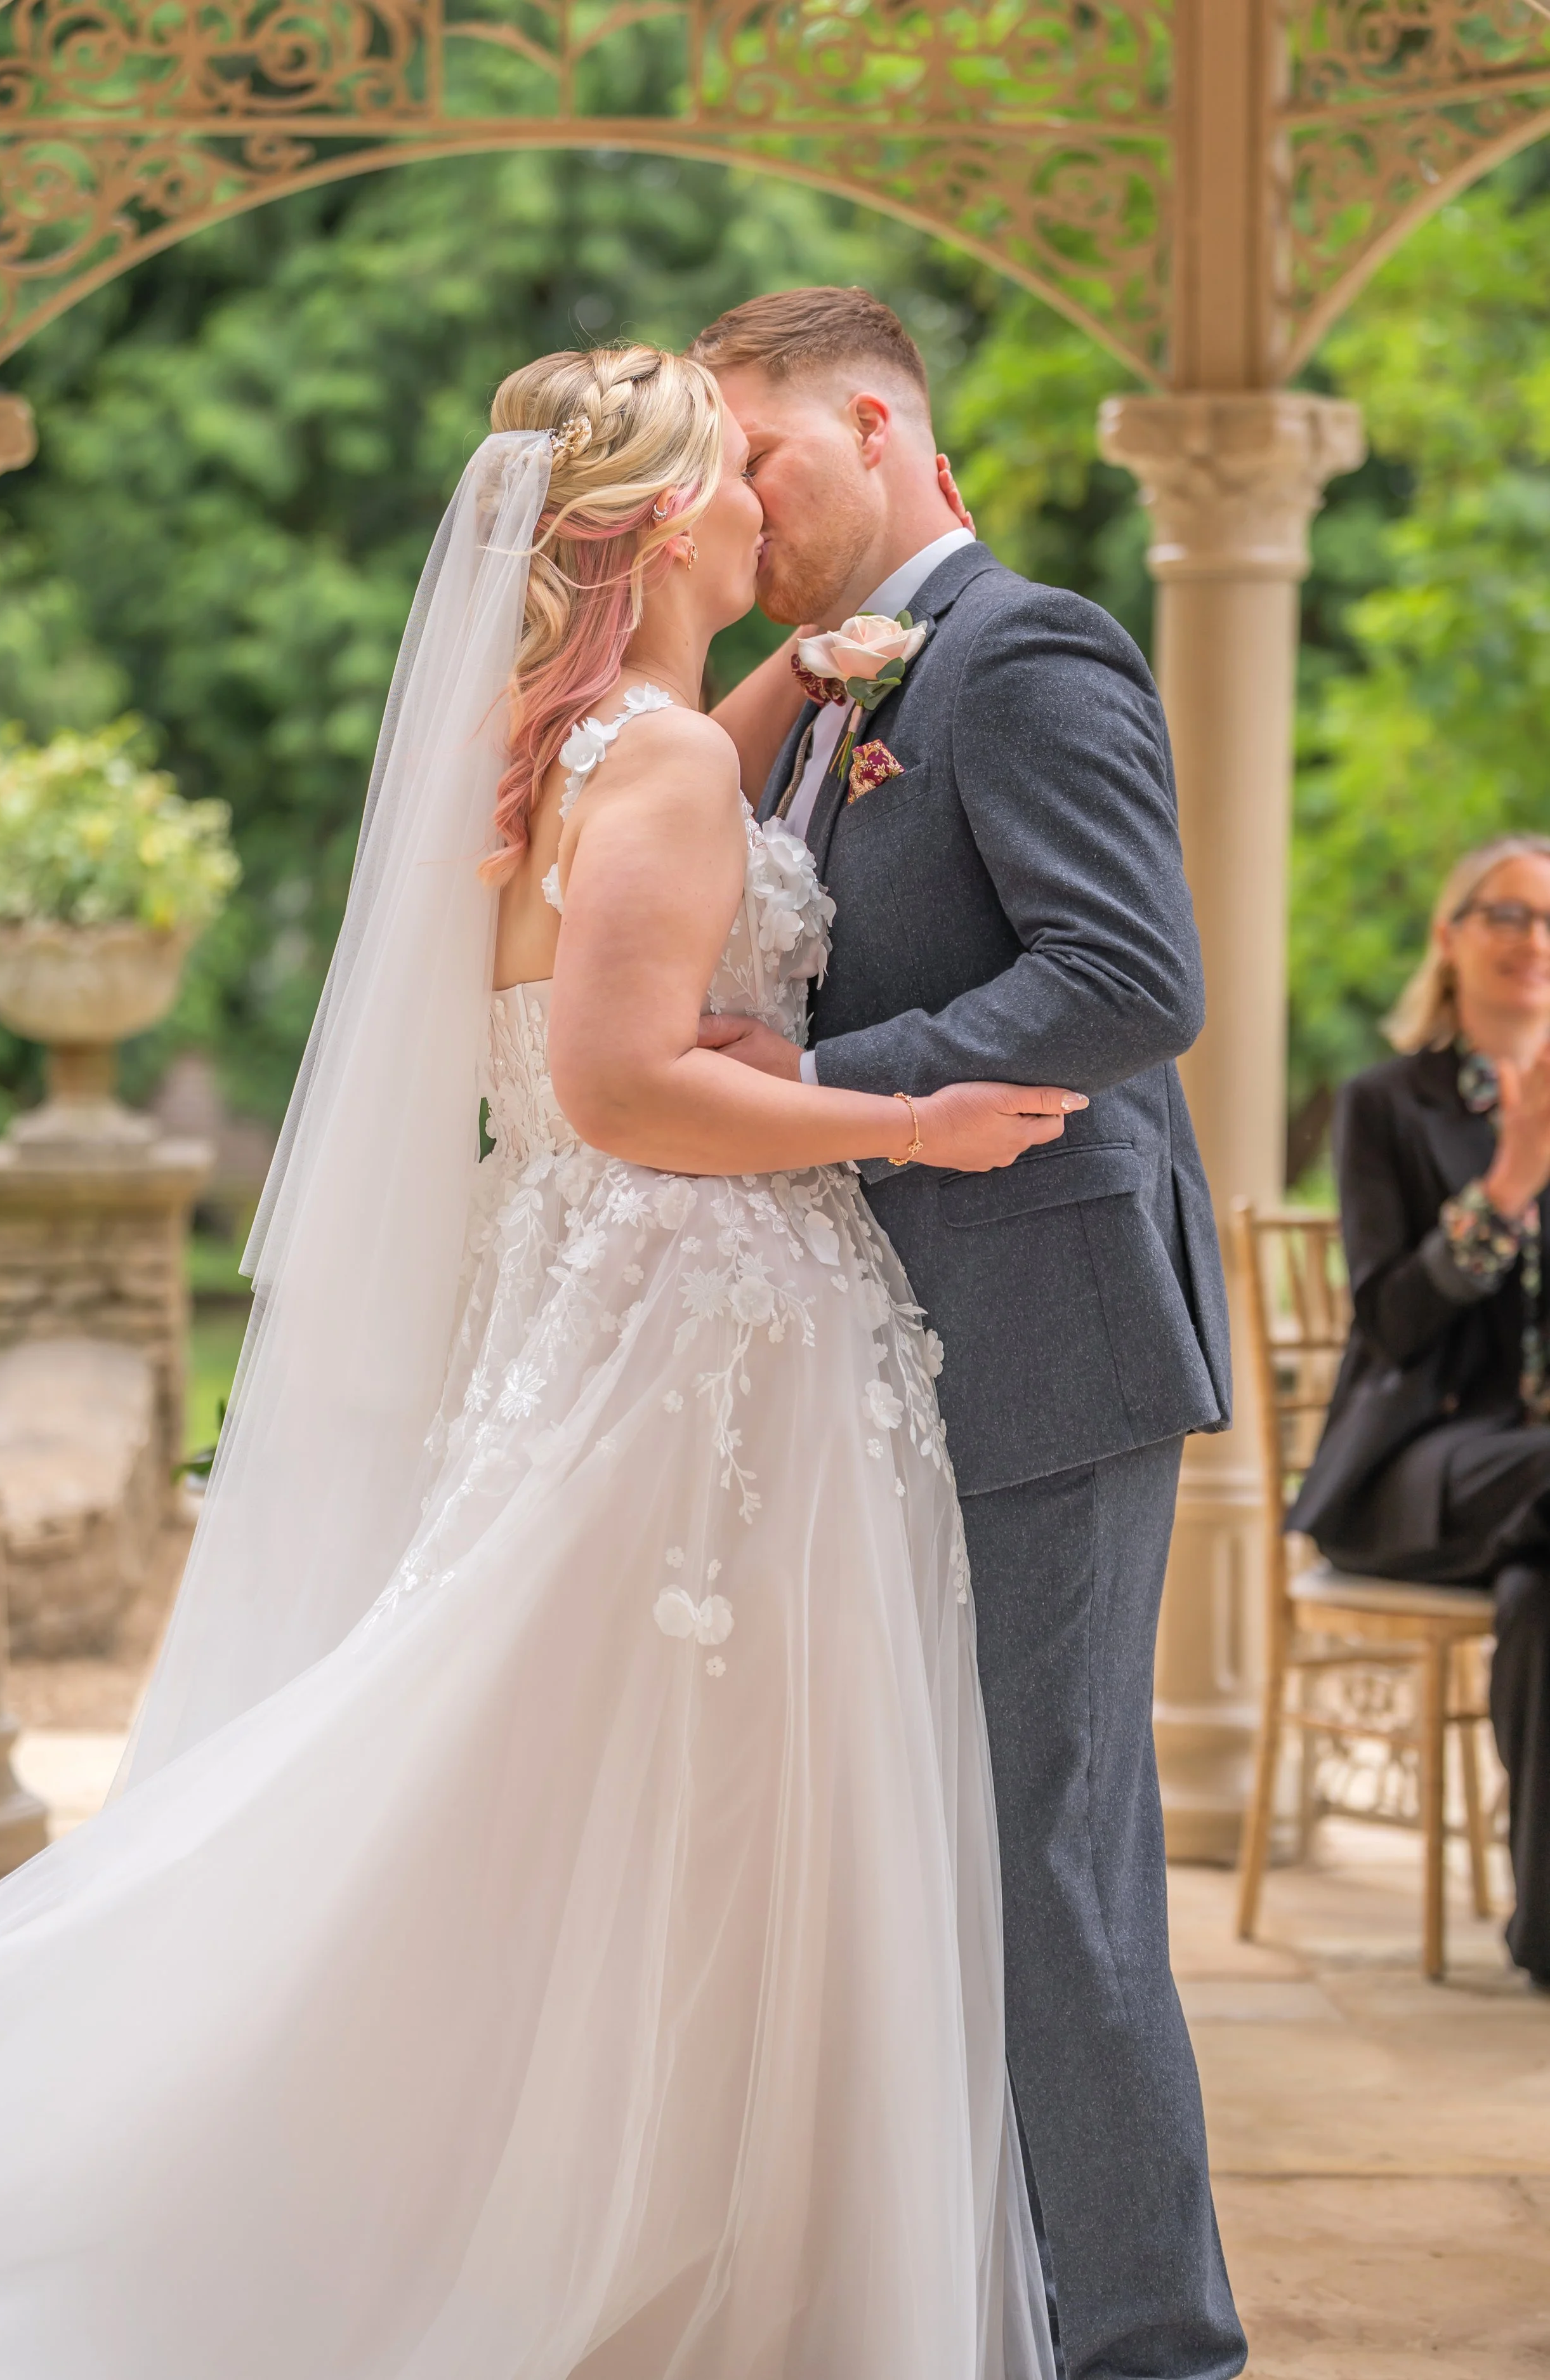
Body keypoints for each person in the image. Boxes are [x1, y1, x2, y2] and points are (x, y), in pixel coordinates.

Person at [0, 343, 1084, 2376]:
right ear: (671, 525)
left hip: (612, 1309)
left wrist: (795, 685)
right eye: (732, 474)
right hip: (700, 1327)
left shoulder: (565, 741)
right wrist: (904, 1120)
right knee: (690, 1798)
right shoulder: (647, 765)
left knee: (570, 1779)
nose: (762, 493)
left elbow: (635, 883)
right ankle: (687, 2258)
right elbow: (627, 1084)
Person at [689, 286, 1244, 2380]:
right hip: (905, 1354)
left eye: (765, 452)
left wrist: (839, 1076)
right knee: (948, 1864)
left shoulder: (1024, 649)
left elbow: (1129, 976)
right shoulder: (841, 697)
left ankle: (1154, 2352)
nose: (742, 493)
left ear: (880, 422)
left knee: (1053, 1872)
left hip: (1049, 1335)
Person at [1291, 833, 1550, 1991]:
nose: (1532, 940)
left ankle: (1540, 1933)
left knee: (1544, 1591)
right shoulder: (1387, 1104)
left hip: (1531, 1492)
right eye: (1506, 914)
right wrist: (1509, 1179)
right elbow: (1391, 1321)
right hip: (1416, 1463)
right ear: (1450, 935)